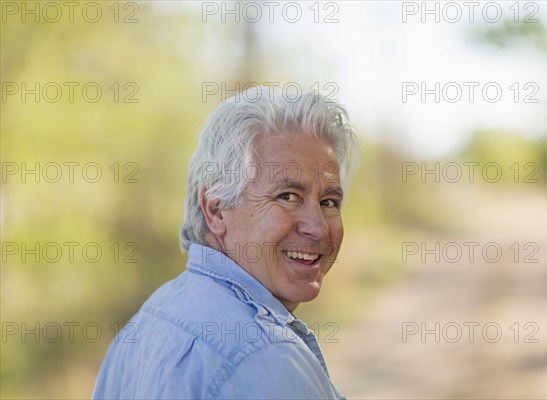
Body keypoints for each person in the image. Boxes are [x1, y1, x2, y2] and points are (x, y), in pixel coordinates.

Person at [93, 86, 359, 399]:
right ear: (217, 210)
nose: (317, 227)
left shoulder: (148, 321)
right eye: (287, 197)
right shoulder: (265, 357)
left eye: (329, 202)